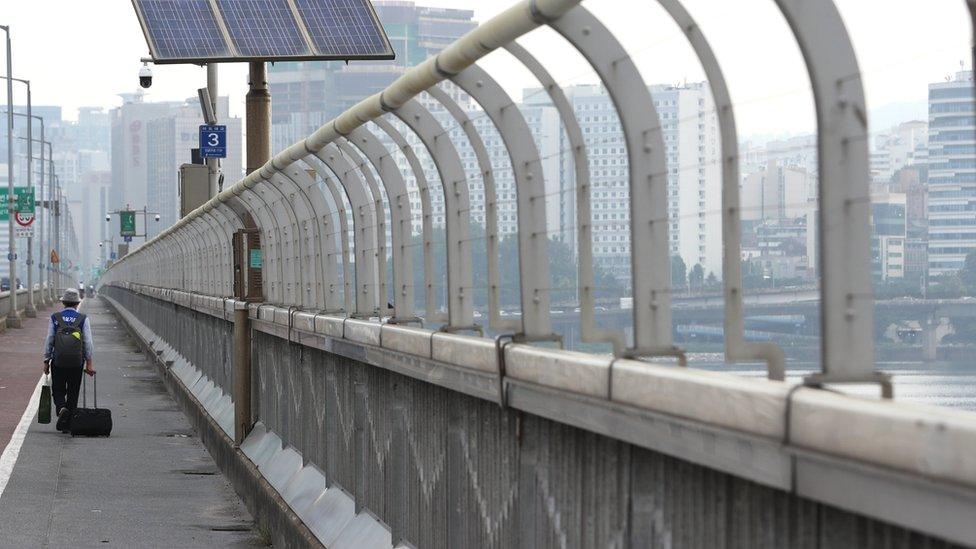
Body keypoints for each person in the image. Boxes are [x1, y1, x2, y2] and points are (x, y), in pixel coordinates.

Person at [43, 289, 95, 432]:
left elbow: (49, 340)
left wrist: (46, 360)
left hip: (58, 361)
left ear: (63, 302)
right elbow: (88, 342)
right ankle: (69, 423)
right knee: (73, 390)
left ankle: (61, 409)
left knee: (58, 389)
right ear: (78, 303)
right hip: (77, 362)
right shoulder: (83, 319)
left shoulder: (55, 318)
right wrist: (89, 363)